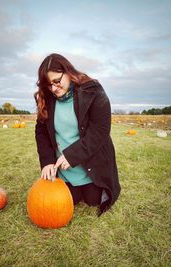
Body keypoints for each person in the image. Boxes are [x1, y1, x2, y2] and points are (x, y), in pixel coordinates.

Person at [34, 53, 121, 215]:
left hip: (90, 164)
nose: (53, 88)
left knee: (93, 199)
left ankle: (93, 184)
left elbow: (100, 131)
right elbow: (41, 133)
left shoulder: (92, 91)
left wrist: (72, 155)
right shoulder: (46, 97)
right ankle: (68, 182)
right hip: (64, 169)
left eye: (57, 81)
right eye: (48, 84)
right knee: (66, 199)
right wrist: (47, 161)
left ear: (67, 72)